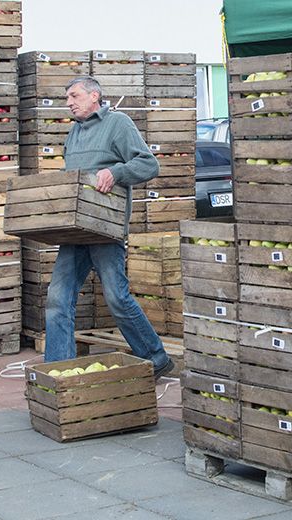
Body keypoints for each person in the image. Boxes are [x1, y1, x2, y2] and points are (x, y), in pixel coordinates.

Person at [44, 76, 174, 380]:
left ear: (94, 96)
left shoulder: (119, 124)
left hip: (105, 228)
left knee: (117, 297)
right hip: (75, 232)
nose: (69, 103)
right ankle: (58, 371)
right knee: (57, 299)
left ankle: (156, 358)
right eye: (67, 98)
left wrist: (115, 172)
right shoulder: (73, 133)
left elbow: (149, 165)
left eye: (74, 96)